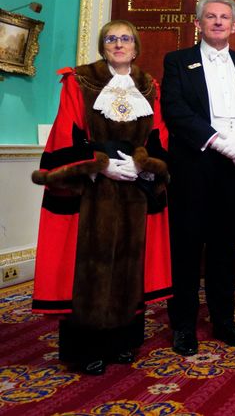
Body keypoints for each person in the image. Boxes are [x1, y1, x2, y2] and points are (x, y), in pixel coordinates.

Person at [31, 20, 171, 375]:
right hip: (93, 191)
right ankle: (85, 349)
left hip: (133, 191)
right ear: (102, 45)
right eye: (112, 39)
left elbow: (158, 136)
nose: (119, 44)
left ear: (136, 47)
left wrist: (144, 167)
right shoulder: (80, 81)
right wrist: (100, 165)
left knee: (129, 262)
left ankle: (123, 342)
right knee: (90, 266)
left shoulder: (149, 86)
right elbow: (67, 132)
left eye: (126, 39)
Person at [161, 0, 235, 356]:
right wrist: (218, 141)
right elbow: (174, 110)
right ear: (198, 24)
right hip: (194, 164)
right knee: (187, 247)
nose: (218, 22)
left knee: (225, 247)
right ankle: (184, 326)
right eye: (211, 17)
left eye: (225, 17)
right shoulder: (177, 62)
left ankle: (223, 321)